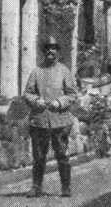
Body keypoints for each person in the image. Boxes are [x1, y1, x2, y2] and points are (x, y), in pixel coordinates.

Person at [23, 39, 78, 198]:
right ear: (44, 52)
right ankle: (36, 187)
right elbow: (27, 93)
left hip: (60, 121)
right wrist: (35, 100)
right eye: (48, 49)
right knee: (39, 157)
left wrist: (59, 102)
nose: (51, 52)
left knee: (62, 155)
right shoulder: (36, 71)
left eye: (54, 49)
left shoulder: (64, 71)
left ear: (58, 52)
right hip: (39, 120)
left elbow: (72, 94)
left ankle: (66, 187)